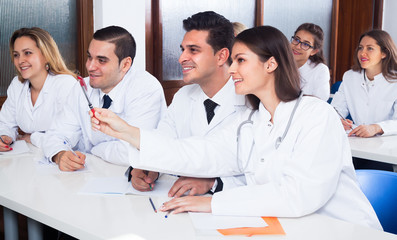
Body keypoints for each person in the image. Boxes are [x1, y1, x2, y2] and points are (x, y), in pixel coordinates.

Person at [90, 26, 381, 230]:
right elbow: (203, 153)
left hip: (342, 229)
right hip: (289, 228)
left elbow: (297, 195)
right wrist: (129, 132)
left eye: (240, 61)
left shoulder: (317, 116)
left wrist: (212, 203)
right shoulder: (251, 121)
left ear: (270, 65)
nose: (231, 70)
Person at [128, 11, 247, 197]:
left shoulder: (251, 101)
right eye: (182, 49)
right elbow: (163, 141)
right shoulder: (183, 96)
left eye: (193, 50)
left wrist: (213, 183)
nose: (181, 58)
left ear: (222, 56)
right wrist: (149, 168)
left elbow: (261, 172)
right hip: (178, 206)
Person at [41, 25, 166, 171]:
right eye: (89, 57)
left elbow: (132, 151)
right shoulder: (82, 87)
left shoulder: (145, 88)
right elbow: (56, 134)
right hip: (90, 175)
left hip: (130, 177)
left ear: (125, 64)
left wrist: (93, 149)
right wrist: (60, 154)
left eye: (101, 60)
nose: (90, 66)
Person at [1, 27, 79, 240]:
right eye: (16, 55)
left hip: (66, 172)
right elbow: (5, 122)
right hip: (32, 169)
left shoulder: (65, 85)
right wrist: (4, 136)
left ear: (46, 54)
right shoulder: (17, 86)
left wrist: (31, 137)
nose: (20, 60)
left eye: (28, 53)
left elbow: (69, 137)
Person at [331, 29, 397, 138]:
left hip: (387, 144)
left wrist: (377, 127)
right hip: (356, 141)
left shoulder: (394, 81)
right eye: (360, 48)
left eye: (370, 48)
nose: (362, 53)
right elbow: (336, 110)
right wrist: (338, 121)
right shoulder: (350, 77)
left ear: (384, 53)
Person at [291, 23, 330, 101]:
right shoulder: (277, 63)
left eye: (305, 44)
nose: (298, 46)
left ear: (314, 51)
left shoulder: (320, 70)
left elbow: (319, 103)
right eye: (296, 40)